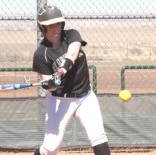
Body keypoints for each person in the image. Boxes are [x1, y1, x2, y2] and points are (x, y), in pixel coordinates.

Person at [32, 5, 111, 155]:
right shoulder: (41, 54)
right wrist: (50, 84)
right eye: (51, 25)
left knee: (98, 137)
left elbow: (73, 54)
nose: (56, 28)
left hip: (85, 96)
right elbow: (50, 86)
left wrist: (60, 71)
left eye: (58, 23)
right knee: (50, 148)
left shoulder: (71, 35)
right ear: (43, 27)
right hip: (60, 100)